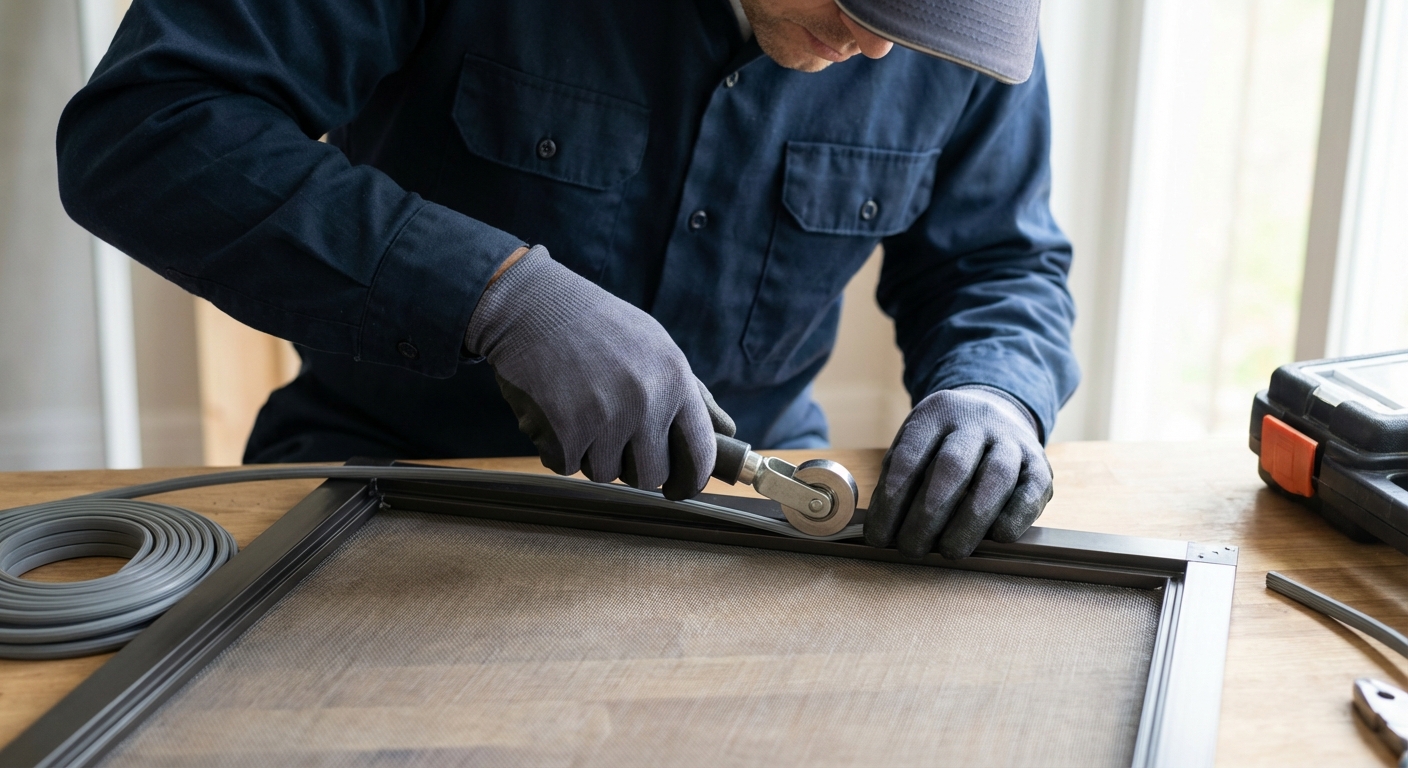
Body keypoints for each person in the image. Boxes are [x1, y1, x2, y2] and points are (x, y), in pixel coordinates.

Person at [57, 0, 1078, 560]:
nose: (877, 46)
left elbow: (1000, 258)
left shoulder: (936, 38)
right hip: (400, 482)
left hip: (751, 504)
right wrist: (492, 293)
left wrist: (993, 390)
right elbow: (147, 131)